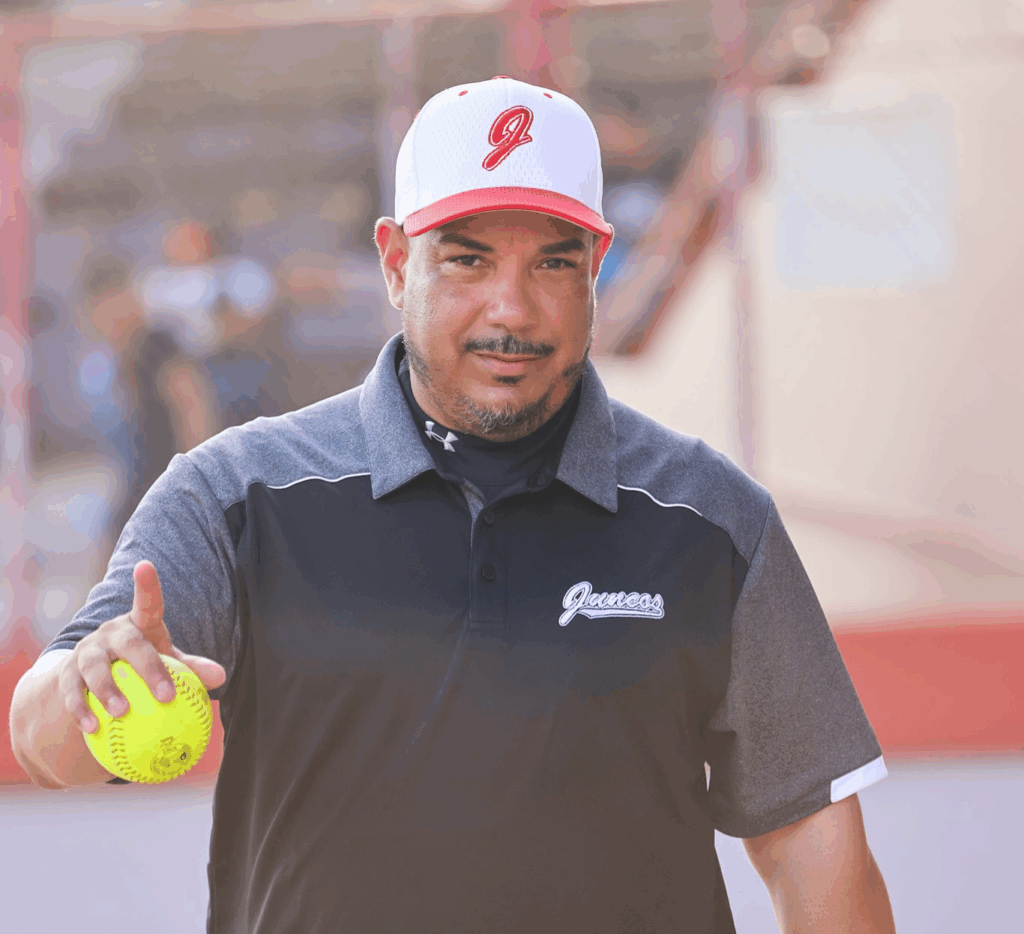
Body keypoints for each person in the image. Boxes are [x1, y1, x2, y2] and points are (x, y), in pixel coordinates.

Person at [10, 77, 895, 933]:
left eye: (553, 261)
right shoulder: (236, 495)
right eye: (467, 259)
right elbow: (44, 743)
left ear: (597, 267)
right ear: (397, 263)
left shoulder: (711, 517)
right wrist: (84, 687)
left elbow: (810, 839)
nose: (512, 309)